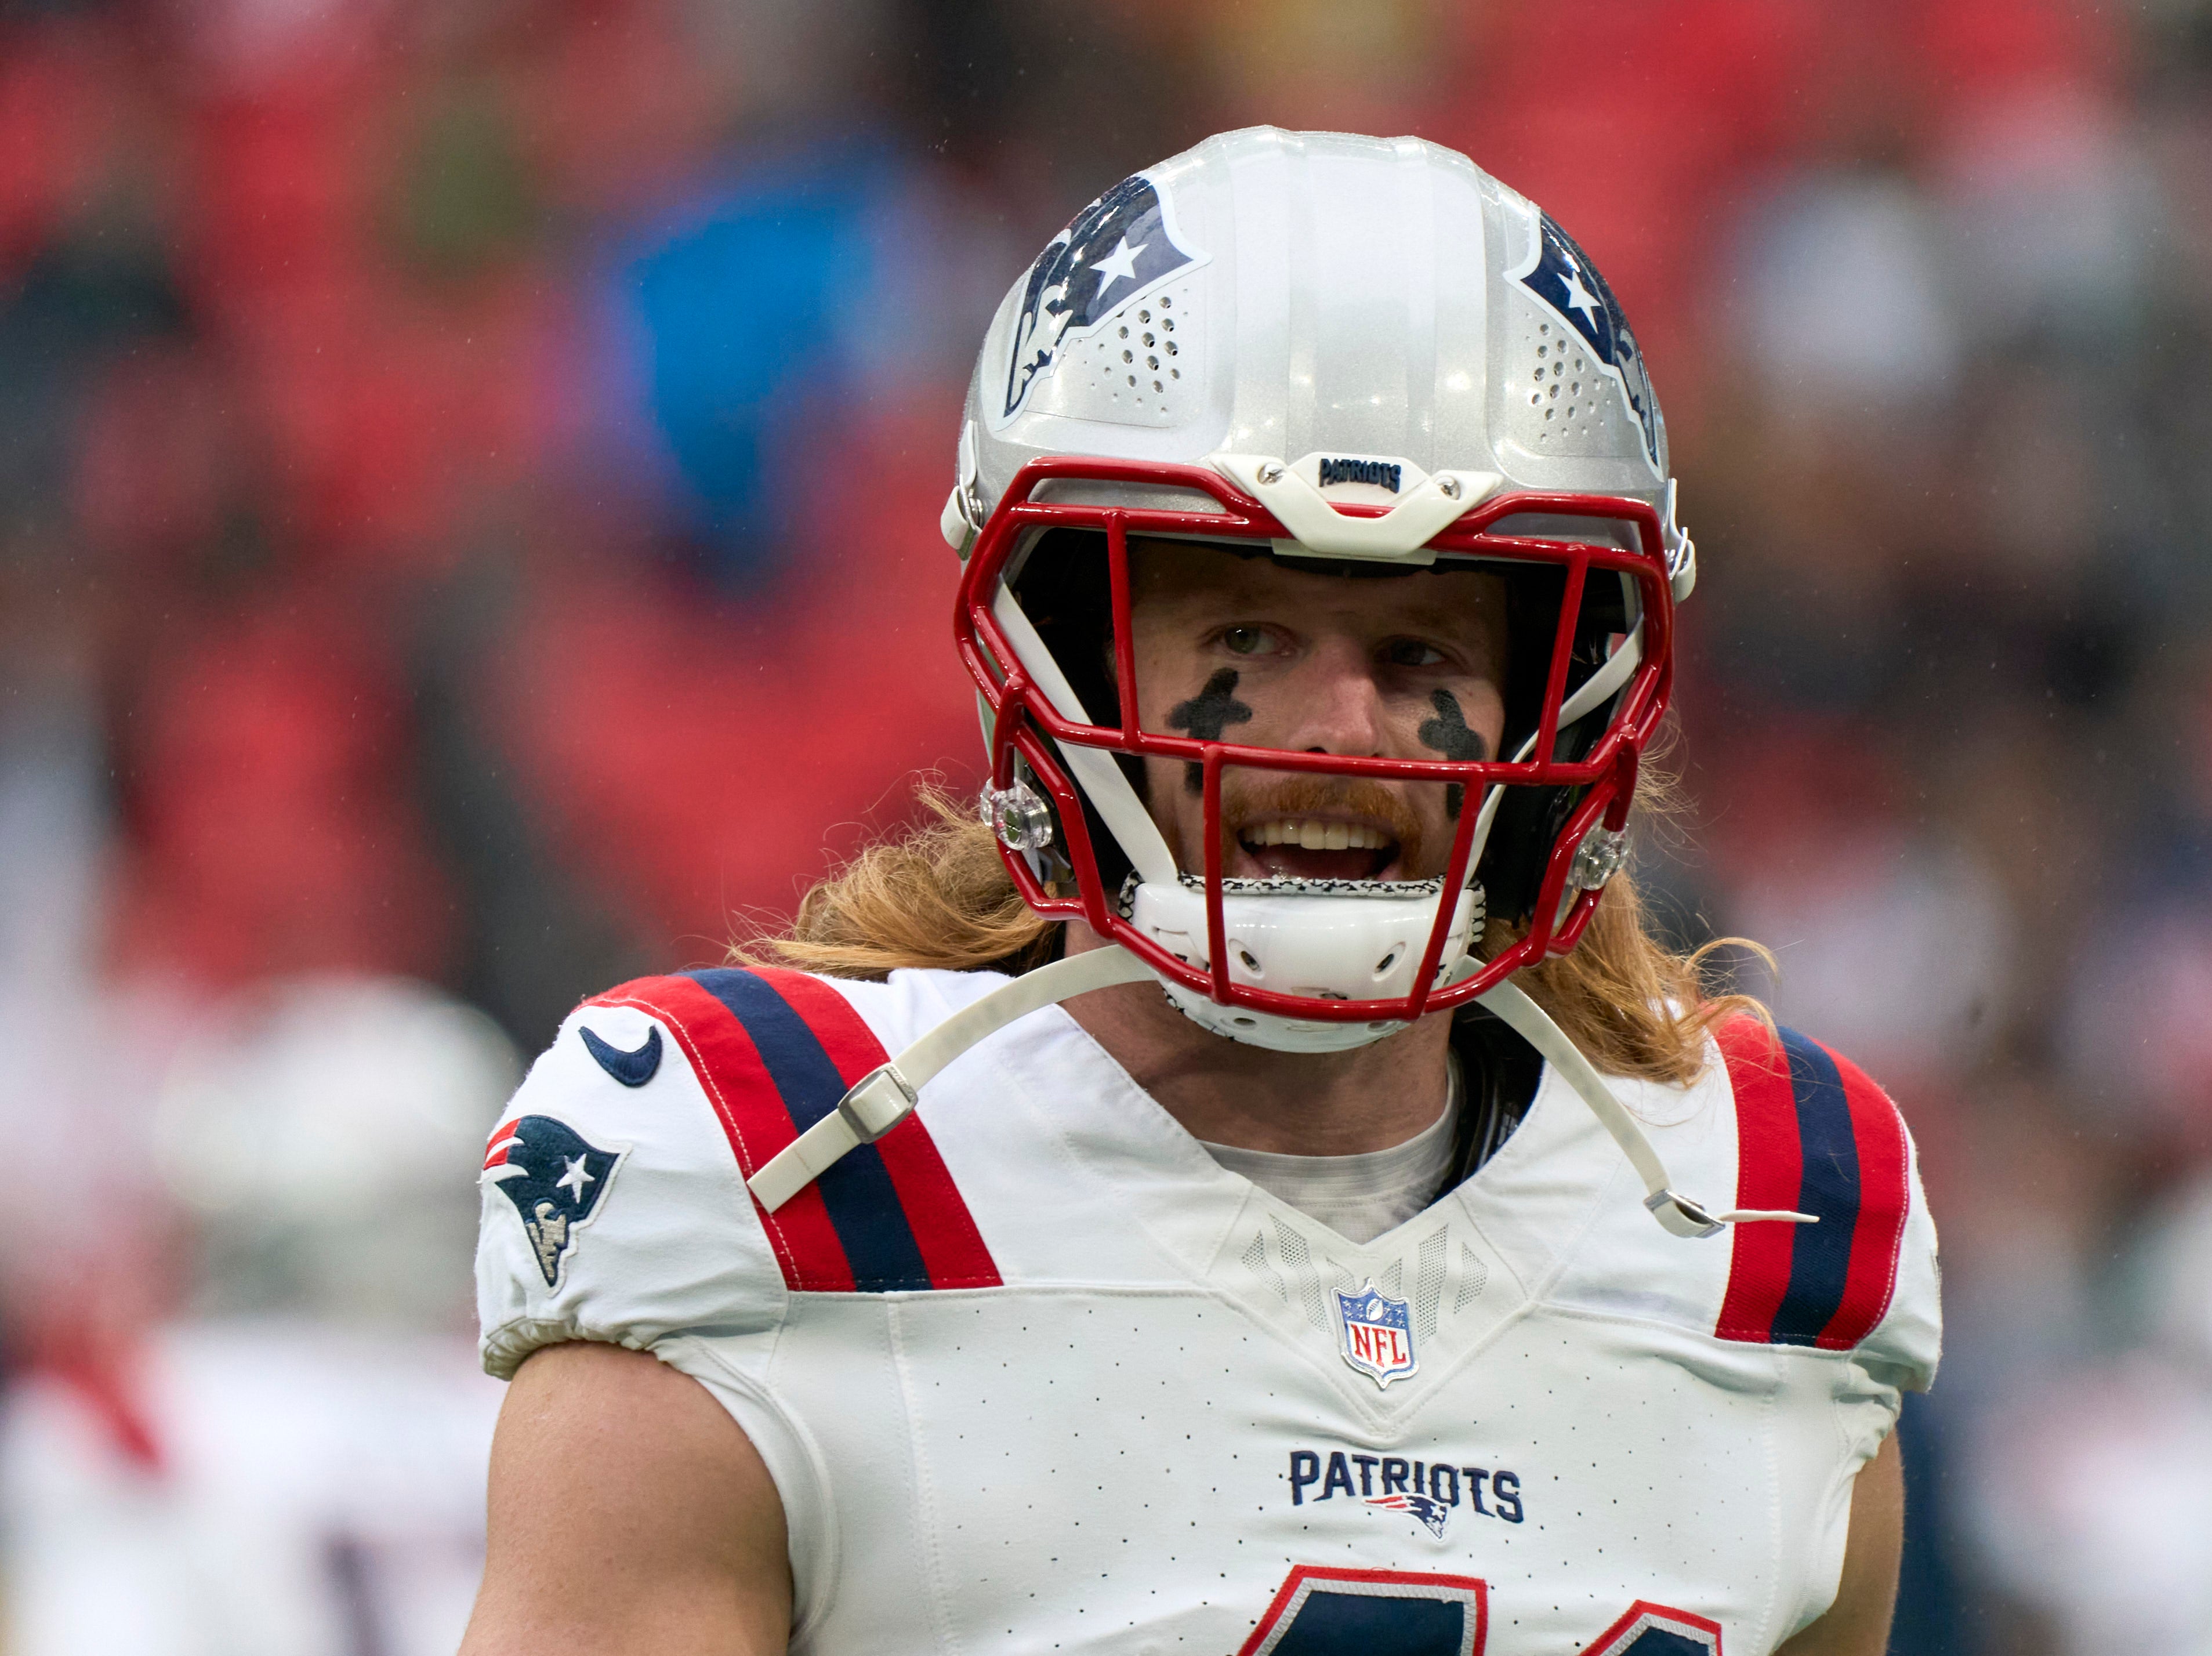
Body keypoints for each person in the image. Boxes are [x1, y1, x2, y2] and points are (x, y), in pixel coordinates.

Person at [461, 128, 1938, 1656]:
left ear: (1558, 701)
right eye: (1246, 637)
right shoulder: (776, 1179)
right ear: (1071, 654)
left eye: (1424, 652)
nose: (1341, 734)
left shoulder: (1766, 1221)